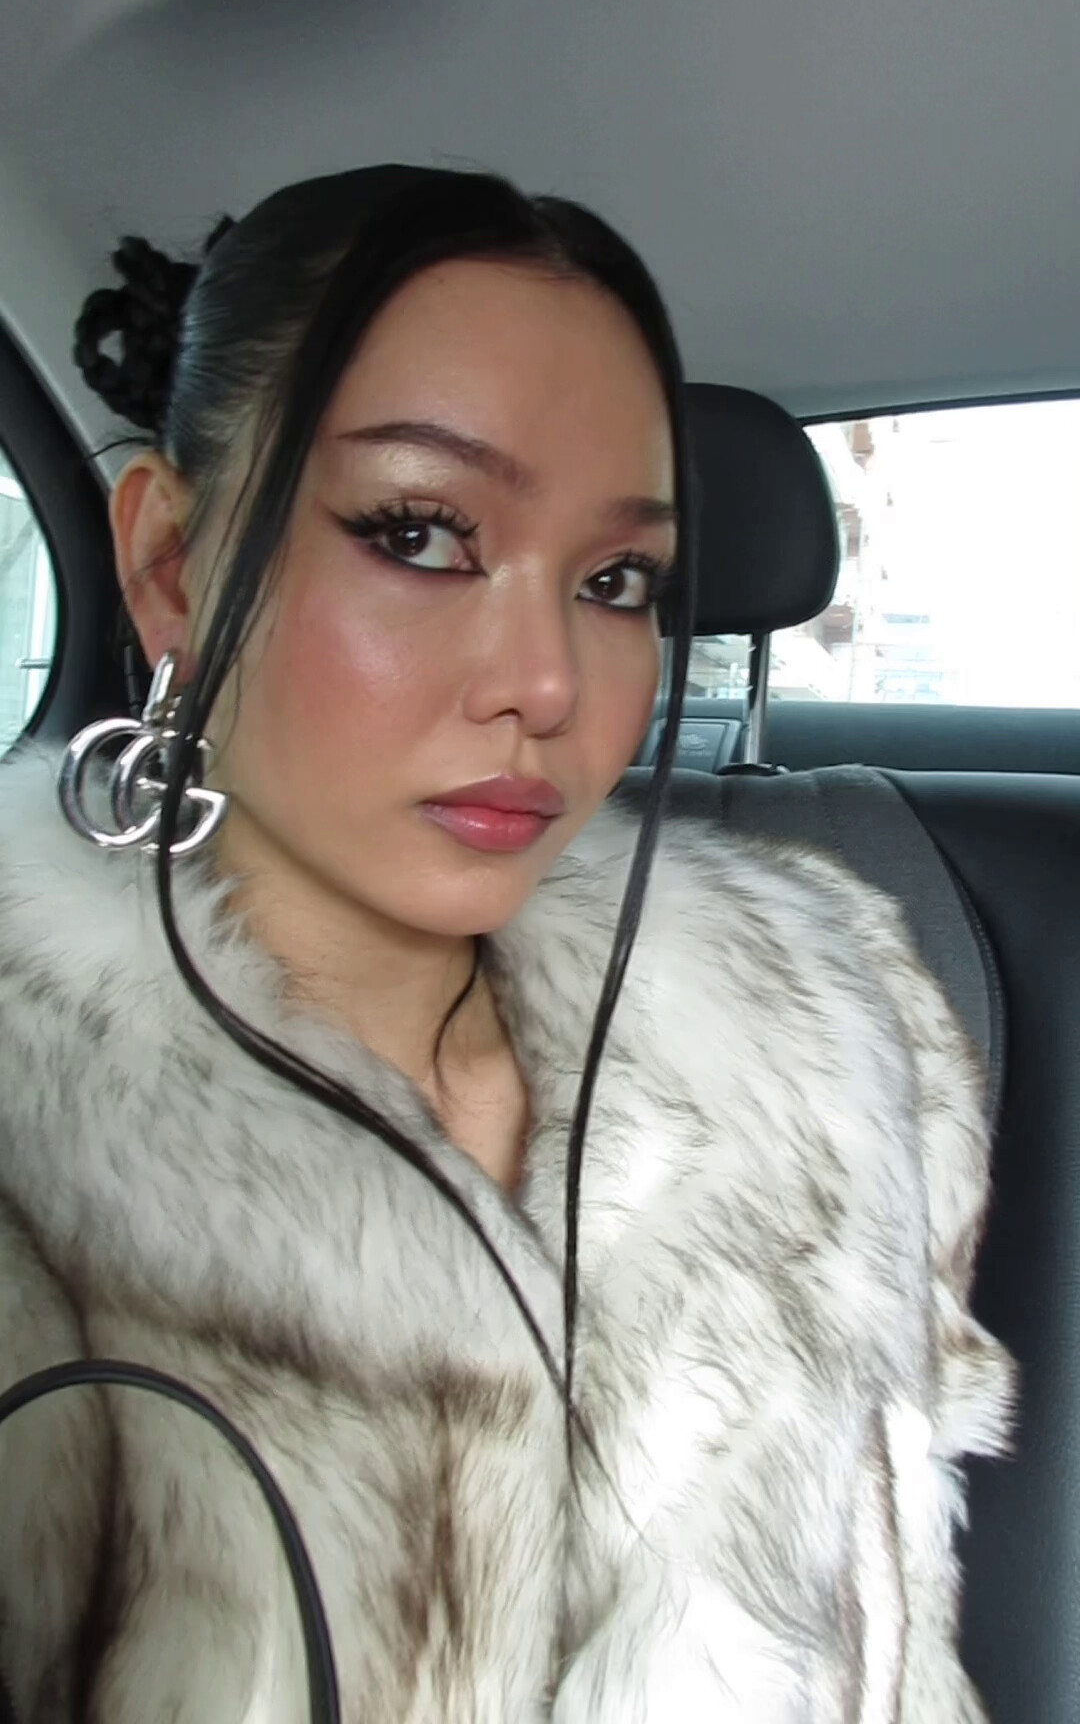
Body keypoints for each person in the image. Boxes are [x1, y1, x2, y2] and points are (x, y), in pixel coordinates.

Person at [0, 165, 1013, 1722]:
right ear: (170, 570)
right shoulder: (32, 1146)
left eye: (616, 582)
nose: (546, 680)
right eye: (419, 534)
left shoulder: (836, 1053)